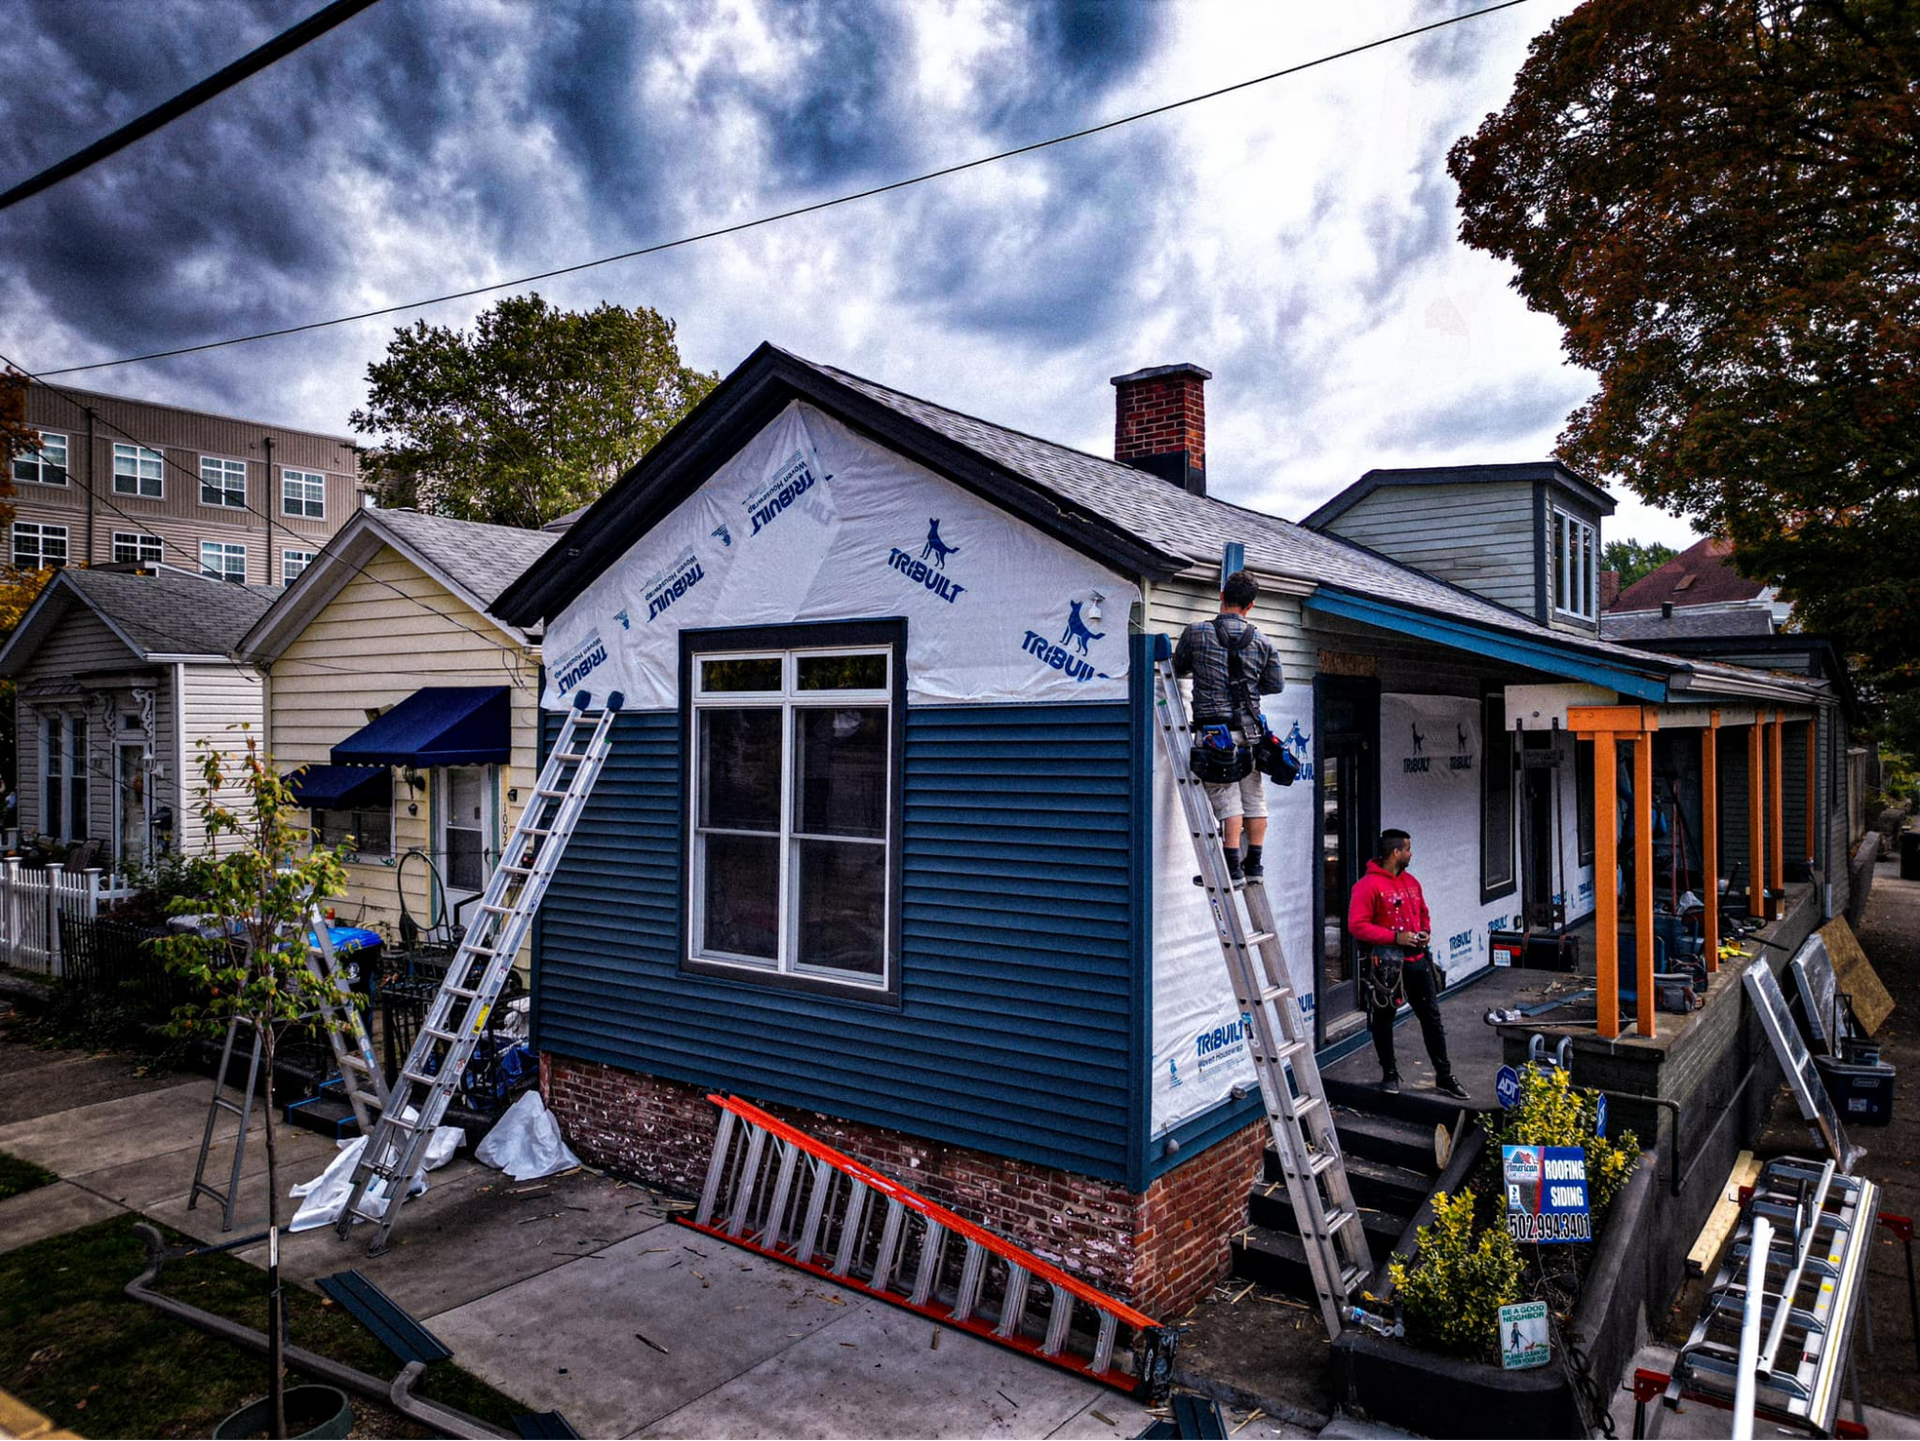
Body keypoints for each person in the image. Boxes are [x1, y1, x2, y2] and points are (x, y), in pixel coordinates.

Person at [1172, 570, 1285, 882]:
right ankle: (1255, 867)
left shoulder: (1195, 633)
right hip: (1251, 733)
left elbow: (1178, 666)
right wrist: (1247, 687)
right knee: (1254, 797)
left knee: (1226, 796)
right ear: (1251, 606)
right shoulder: (1264, 642)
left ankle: (1232, 868)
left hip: (1213, 733)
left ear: (1221, 596)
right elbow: (1275, 685)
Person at [1348, 828, 1469, 1098]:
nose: (1411, 853)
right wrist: (1394, 937)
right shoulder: (1367, 886)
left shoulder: (1412, 882)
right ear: (1396, 852)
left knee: (1432, 1019)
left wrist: (1425, 932)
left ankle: (1444, 1076)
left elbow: (1424, 913)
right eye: (1408, 849)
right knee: (1383, 1019)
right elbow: (1357, 926)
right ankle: (1390, 1075)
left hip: (1418, 962)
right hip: (1387, 967)